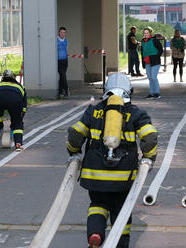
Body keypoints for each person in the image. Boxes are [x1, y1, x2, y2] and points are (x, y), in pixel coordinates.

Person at [66, 73, 158, 248]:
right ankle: (120, 245)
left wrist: (73, 152)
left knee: (97, 205)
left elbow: (75, 134)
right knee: (121, 211)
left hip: (94, 177)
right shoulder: (136, 113)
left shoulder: (93, 111)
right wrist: (149, 158)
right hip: (123, 178)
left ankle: (95, 235)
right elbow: (150, 137)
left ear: (106, 92)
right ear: (129, 91)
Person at [0, 69, 27, 151]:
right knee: (17, 122)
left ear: (3, 78)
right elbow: (24, 104)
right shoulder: (20, 86)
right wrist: (21, 114)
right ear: (13, 77)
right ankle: (18, 143)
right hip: (15, 100)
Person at [141, 27, 163, 99]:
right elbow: (142, 52)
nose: (146, 34)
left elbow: (160, 50)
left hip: (155, 62)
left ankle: (157, 93)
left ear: (150, 33)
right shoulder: (143, 41)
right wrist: (143, 62)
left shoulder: (155, 40)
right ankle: (151, 93)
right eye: (145, 33)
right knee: (150, 78)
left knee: (153, 77)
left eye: (147, 33)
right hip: (147, 62)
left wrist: (156, 57)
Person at [57, 26, 69, 98]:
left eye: (64, 32)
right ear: (59, 32)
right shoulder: (56, 40)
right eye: (61, 32)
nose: (63, 34)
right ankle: (66, 90)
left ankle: (60, 91)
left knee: (62, 76)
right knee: (63, 75)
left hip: (65, 60)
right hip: (59, 61)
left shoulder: (66, 40)